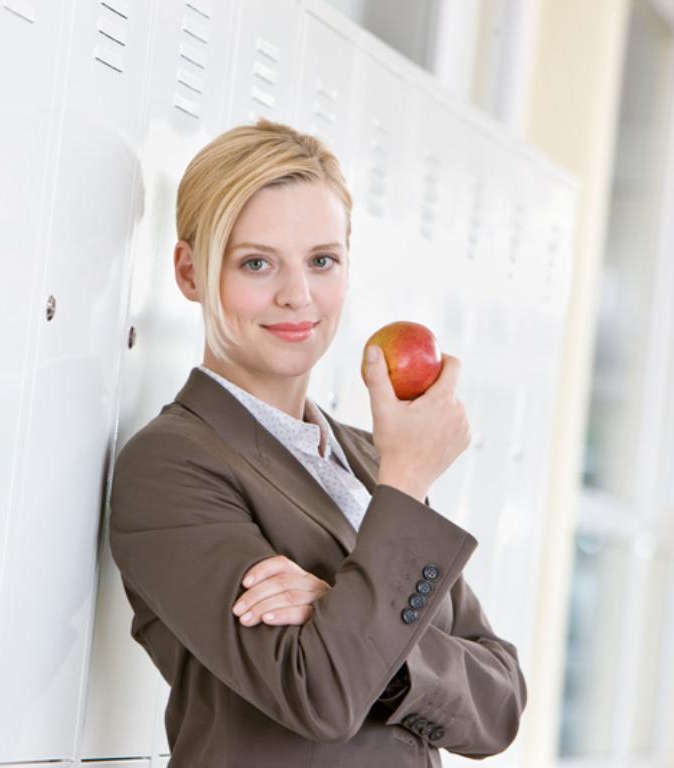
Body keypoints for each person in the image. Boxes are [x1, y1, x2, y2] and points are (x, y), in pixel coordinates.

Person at [107, 117, 527, 767]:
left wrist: (341, 610)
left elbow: (499, 704)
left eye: (322, 260)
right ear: (190, 273)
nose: (297, 296)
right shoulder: (171, 466)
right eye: (256, 263)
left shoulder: (367, 458)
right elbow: (320, 691)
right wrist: (408, 481)